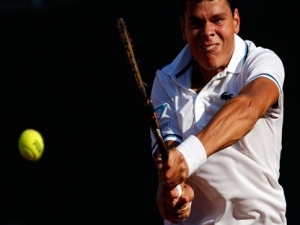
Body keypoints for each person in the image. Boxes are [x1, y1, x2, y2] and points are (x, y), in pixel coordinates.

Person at [150, 0, 287, 224]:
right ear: (183, 28)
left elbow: (247, 109)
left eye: (217, 20)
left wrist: (187, 158)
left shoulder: (261, 62)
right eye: (196, 23)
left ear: (236, 21)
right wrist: (174, 193)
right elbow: (170, 163)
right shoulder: (165, 81)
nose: (207, 32)